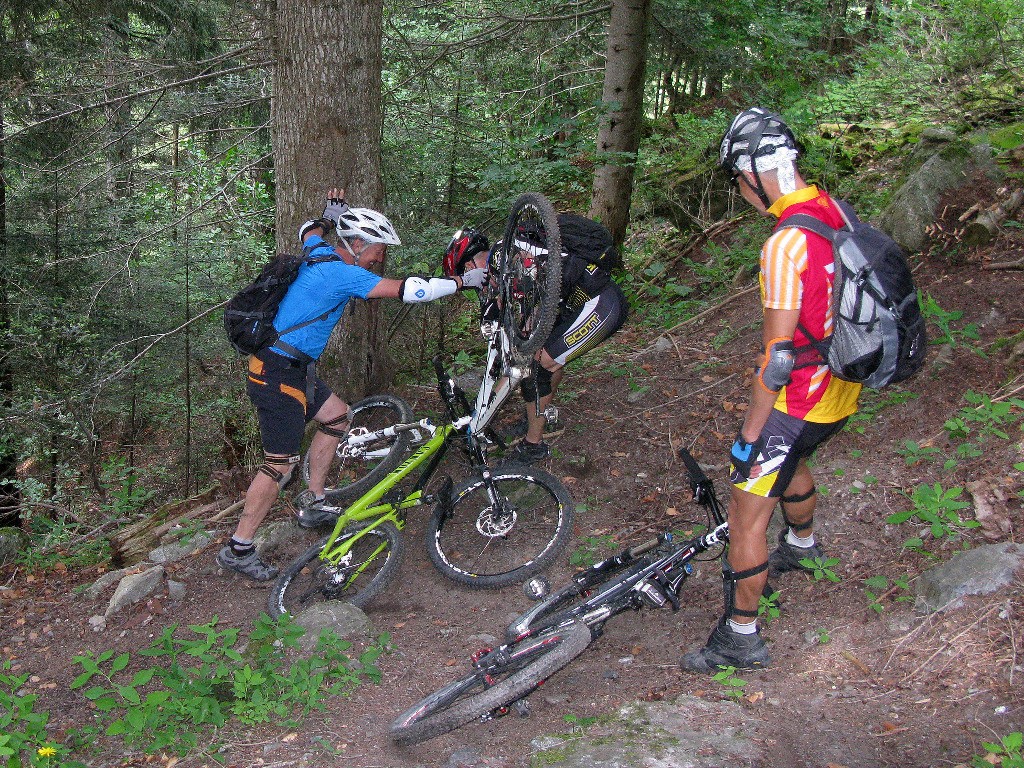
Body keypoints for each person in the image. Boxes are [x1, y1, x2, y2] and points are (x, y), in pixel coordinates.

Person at [217, 189, 487, 580]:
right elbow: (414, 291)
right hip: (276, 373)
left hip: (294, 369)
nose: (380, 260)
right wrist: (463, 281)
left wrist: (326, 217)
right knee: (280, 465)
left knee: (337, 418)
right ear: (357, 245)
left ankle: (315, 501)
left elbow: (307, 229)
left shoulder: (320, 251)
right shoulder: (341, 273)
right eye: (377, 251)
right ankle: (238, 548)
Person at [679, 108, 864, 672]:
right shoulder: (835, 210)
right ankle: (804, 547)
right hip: (841, 389)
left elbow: (776, 360)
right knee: (794, 459)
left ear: (754, 172)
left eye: (738, 180)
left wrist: (750, 434)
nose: (740, 192)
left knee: (745, 511)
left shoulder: (785, 244)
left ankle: (740, 636)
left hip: (797, 398)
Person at [443, 214, 628, 464]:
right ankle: (536, 417)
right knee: (542, 362)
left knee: (541, 366)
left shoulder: (501, 255)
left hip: (600, 304)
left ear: (467, 266)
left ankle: (534, 446)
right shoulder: (508, 266)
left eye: (467, 277)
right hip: (577, 304)